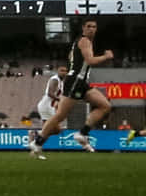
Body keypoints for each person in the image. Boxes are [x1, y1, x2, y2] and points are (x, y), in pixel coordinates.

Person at [27, 19, 115, 158]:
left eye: (94, 26)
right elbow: (91, 61)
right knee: (60, 115)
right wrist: (106, 56)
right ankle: (38, 142)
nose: (92, 29)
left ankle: (82, 133)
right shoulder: (85, 41)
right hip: (75, 81)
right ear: (83, 28)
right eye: (89, 26)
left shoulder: (79, 43)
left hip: (81, 81)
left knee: (105, 106)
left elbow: (72, 59)